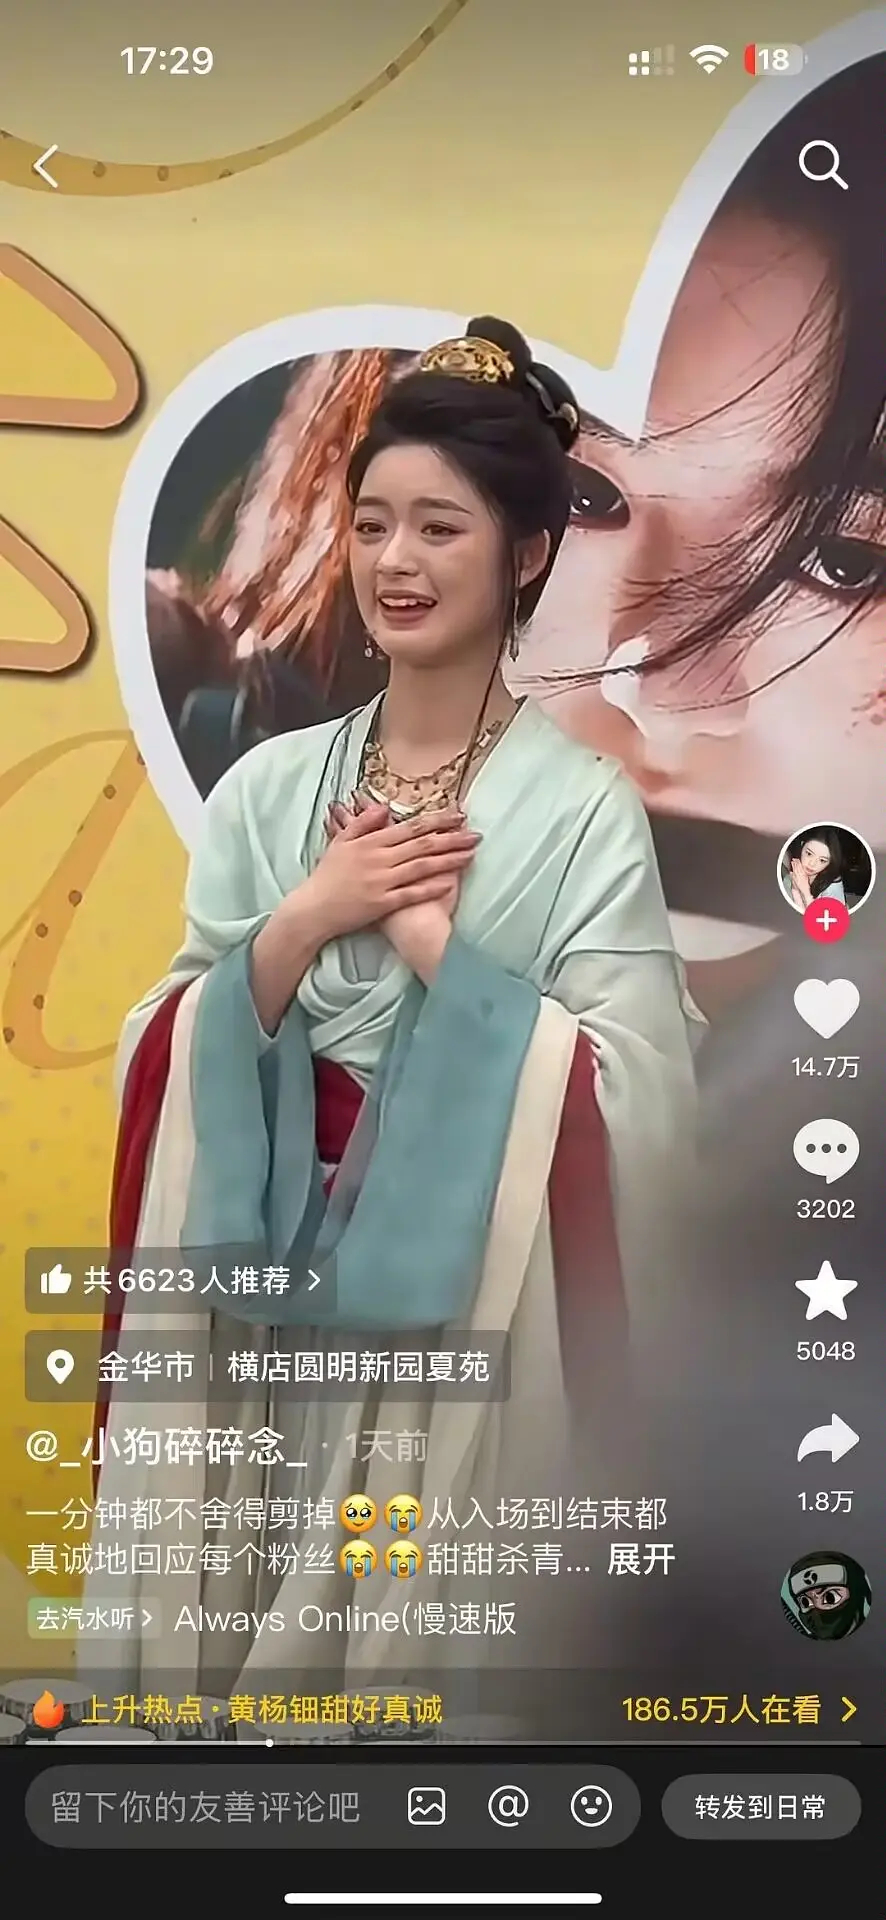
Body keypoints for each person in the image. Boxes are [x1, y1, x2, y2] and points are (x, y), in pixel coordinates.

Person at [88, 316, 697, 1705]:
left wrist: (434, 947)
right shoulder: (267, 789)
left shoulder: (583, 811)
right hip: (260, 1309)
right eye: (370, 525)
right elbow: (163, 1041)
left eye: (438, 527)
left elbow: (638, 1096)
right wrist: (306, 917)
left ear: (525, 553)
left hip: (453, 1328)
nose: (394, 562)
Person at [779, 827, 845, 913]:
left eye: (822, 860)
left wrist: (805, 892)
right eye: (809, 854)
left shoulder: (832, 887)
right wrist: (795, 890)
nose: (812, 864)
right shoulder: (789, 878)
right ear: (802, 846)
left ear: (830, 863)